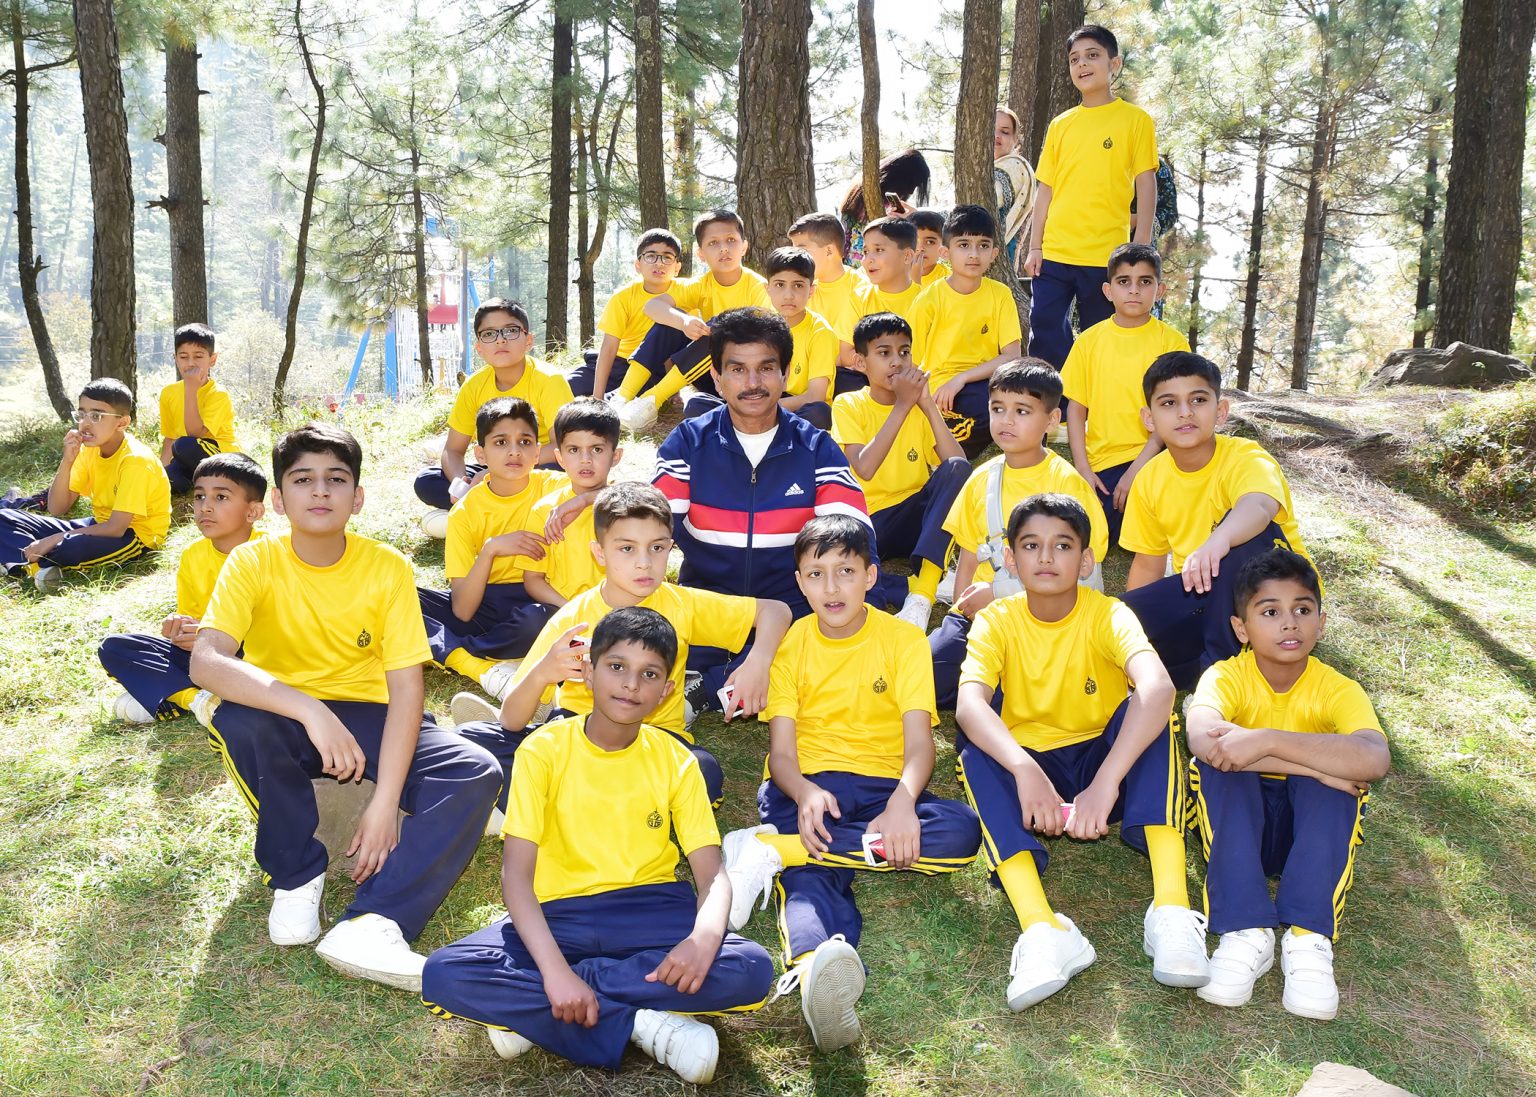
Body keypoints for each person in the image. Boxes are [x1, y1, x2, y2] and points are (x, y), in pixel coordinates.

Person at [191, 423, 500, 991]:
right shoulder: (252, 562)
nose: (320, 491)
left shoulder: (387, 567)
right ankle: (296, 873)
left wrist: (383, 804)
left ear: (357, 497)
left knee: (473, 770)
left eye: (336, 479)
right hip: (284, 714)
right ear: (278, 499)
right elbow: (207, 662)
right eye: (302, 479)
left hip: (368, 711)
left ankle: (375, 921)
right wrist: (310, 709)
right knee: (236, 717)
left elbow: (406, 689)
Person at [420, 608, 776, 1084]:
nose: (630, 684)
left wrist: (703, 940)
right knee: (446, 972)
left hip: (650, 910)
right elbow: (516, 877)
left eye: (649, 674)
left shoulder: (676, 760)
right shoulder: (542, 750)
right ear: (587, 672)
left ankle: (543, 1008)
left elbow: (711, 876)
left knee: (749, 967)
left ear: (666, 690)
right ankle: (641, 1023)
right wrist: (554, 970)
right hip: (558, 914)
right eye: (617, 666)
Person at [718, 517, 980, 1052]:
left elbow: (920, 745)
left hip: (884, 786)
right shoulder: (791, 644)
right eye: (816, 574)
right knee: (813, 879)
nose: (831, 587)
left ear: (871, 576)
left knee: (961, 833)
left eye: (846, 571)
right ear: (800, 582)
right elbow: (782, 755)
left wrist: (903, 802)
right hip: (807, 785)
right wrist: (805, 793)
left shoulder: (903, 640)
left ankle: (774, 850)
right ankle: (816, 967)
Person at [954, 493, 1208, 1010]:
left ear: (1086, 560)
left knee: (1154, 716)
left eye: (1063, 545)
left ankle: (1172, 909)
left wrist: (1106, 783)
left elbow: (1159, 688)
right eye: (1031, 546)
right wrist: (1024, 769)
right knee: (976, 752)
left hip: (1105, 764)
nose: (1046, 557)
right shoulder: (996, 620)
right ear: (1010, 559)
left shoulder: (1109, 613)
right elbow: (968, 706)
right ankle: (1042, 928)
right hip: (1035, 772)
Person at [459, 482, 792, 813]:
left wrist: (757, 663)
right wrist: (542, 673)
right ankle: (590, 803)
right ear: (599, 553)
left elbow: (775, 611)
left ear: (671, 547)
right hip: (578, 734)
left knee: (702, 773)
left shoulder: (682, 604)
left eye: (657, 547)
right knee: (476, 739)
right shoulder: (574, 619)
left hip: (653, 737)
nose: (644, 562)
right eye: (627, 549)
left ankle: (561, 804)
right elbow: (511, 719)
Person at [1186, 549, 1389, 1020]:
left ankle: (1307, 937)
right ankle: (1246, 931)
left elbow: (1375, 758)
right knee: (1224, 769)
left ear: (1321, 623)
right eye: (1270, 612)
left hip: (1310, 835)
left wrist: (1266, 740)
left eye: (1302, 609)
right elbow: (1204, 740)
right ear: (1241, 628)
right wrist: (1318, 764)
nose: (1289, 623)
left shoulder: (1338, 688)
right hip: (1241, 832)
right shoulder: (1225, 676)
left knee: (1336, 784)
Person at [653, 307, 873, 633]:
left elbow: (856, 537)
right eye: (738, 369)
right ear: (716, 377)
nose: (753, 383)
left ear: (785, 374)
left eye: (766, 368)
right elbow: (652, 527)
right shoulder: (688, 442)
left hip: (796, 618)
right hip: (707, 612)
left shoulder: (816, 448)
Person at [1118, 351, 1314, 691]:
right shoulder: (1149, 479)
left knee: (1245, 542)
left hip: (1277, 599)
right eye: (1169, 403)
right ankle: (1210, 667)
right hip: (1203, 596)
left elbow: (1260, 505)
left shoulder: (1245, 456)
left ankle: (1221, 681)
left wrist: (1218, 540)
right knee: (1115, 620)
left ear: (1220, 411)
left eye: (1198, 400)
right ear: (1149, 419)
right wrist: (1137, 619)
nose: (1185, 412)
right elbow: (1148, 564)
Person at [928, 360, 1108, 708]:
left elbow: (1082, 574)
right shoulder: (981, 479)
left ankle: (1009, 688)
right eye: (998, 409)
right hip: (984, 618)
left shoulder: (1067, 485)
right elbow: (969, 555)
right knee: (924, 674)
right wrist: (963, 612)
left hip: (1045, 621)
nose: (1006, 421)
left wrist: (998, 592)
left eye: (1022, 411)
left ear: (1052, 420)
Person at [1023, 25, 1158, 368]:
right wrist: (1035, 246)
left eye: (1092, 55)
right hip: (1055, 252)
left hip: (1105, 255)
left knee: (1101, 336)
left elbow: (1146, 183)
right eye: (1074, 59)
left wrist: (1141, 245)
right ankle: (1053, 397)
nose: (1082, 64)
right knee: (1045, 331)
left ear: (1114, 64)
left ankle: (1092, 395)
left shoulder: (1136, 120)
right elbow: (1045, 190)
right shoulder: (1060, 125)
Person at [99, 453, 266, 725]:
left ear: (253, 512)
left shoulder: (269, 554)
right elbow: (193, 621)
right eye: (199, 496)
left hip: (255, 657)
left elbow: (284, 629)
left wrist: (216, 638)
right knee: (115, 648)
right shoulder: (192, 555)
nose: (205, 507)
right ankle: (198, 701)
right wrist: (181, 629)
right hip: (208, 657)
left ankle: (172, 695)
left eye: (220, 497)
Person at [417, 398, 562, 703]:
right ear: (480, 454)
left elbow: (610, 492)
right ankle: (486, 660)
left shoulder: (555, 487)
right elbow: (463, 610)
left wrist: (580, 500)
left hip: (538, 599)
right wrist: (490, 550)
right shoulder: (465, 512)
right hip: (486, 601)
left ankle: (457, 649)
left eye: (525, 442)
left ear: (538, 452)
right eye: (500, 442)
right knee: (401, 599)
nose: (514, 451)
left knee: (538, 621)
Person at [831, 313, 969, 627]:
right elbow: (865, 467)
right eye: (884, 353)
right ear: (861, 362)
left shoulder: (919, 409)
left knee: (957, 468)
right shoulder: (848, 404)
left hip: (914, 516)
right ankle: (917, 584)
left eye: (904, 352)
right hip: (870, 520)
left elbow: (958, 467)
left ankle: (922, 595)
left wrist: (927, 405)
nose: (897, 361)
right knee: (837, 565)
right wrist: (903, 405)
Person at [1062, 242, 1190, 546]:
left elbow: (1176, 413)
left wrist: (1136, 471)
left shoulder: (1172, 343)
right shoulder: (1088, 342)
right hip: (1103, 463)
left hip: (1159, 456)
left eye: (1145, 282)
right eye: (1124, 282)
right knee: (1086, 526)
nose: (1134, 290)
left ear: (1160, 290)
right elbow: (1076, 409)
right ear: (1108, 291)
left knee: (1160, 505)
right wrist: (1083, 469)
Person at [415, 299, 573, 536]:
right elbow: (453, 450)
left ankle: (480, 521)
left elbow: (565, 446)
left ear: (528, 340)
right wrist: (463, 484)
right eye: (489, 334)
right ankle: (491, 516)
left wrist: (494, 473)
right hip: (493, 467)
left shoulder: (549, 381)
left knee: (560, 474)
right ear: (479, 347)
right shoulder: (473, 386)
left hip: (536, 466)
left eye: (510, 330)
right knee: (427, 481)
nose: (500, 340)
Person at [0, 379, 171, 592]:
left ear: (122, 423)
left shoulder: (135, 460)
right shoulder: (89, 449)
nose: (85, 424)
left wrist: (52, 539)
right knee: (4, 517)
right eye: (82, 414)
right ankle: (30, 566)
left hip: (135, 536)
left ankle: (20, 563)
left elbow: (116, 528)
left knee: (70, 547)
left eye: (96, 416)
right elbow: (57, 508)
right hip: (100, 523)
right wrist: (68, 460)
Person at [611, 209, 771, 432]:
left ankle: (651, 401)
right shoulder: (700, 285)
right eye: (713, 243)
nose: (724, 248)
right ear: (701, 253)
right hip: (706, 372)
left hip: (743, 374)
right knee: (672, 320)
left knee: (721, 327)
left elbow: (761, 340)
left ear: (744, 246)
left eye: (731, 240)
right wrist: (683, 322)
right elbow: (653, 306)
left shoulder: (759, 287)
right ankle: (621, 398)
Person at [908, 204, 1024, 458]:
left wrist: (961, 378)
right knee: (986, 412)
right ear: (945, 252)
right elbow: (911, 362)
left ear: (994, 253)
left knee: (1029, 401)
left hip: (987, 379)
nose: (974, 254)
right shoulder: (929, 299)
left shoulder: (1000, 294)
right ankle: (945, 452)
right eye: (963, 245)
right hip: (942, 387)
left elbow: (1012, 355)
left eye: (983, 245)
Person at [521, 397, 623, 609]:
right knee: (530, 618)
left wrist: (585, 499)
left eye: (596, 449)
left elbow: (648, 497)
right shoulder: (545, 511)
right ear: (559, 458)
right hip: (563, 609)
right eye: (574, 450)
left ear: (615, 456)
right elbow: (533, 580)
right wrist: (572, 610)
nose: (585, 459)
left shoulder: (625, 505)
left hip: (618, 610)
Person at [569, 229, 682, 398]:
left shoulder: (686, 293)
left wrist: (674, 392)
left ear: (677, 267)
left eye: (667, 257)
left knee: (626, 402)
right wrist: (597, 397)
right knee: (567, 387)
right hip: (618, 362)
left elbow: (677, 347)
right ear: (638, 265)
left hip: (652, 369)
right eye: (651, 256)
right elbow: (609, 347)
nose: (659, 263)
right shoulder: (623, 296)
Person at [788, 211, 868, 396]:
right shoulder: (800, 288)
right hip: (800, 373)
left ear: (829, 251)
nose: (794, 258)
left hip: (842, 376)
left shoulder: (861, 287)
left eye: (801, 250)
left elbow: (845, 355)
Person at [158, 323, 241, 493]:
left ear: (212, 360)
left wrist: (191, 389)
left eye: (198, 356)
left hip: (222, 458)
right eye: (183, 357)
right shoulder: (168, 393)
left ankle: (227, 481)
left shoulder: (218, 394)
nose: (190, 363)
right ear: (175, 359)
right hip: (185, 457)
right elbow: (170, 438)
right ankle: (198, 483)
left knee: (184, 445)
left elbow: (195, 433)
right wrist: (161, 473)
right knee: (168, 480)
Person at [837, 148, 930, 266]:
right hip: (867, 265)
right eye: (911, 184)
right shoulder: (874, 198)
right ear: (900, 177)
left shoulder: (860, 188)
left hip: (852, 263)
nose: (911, 191)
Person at [848, 216, 923, 328]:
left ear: (907, 256)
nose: (868, 260)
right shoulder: (857, 300)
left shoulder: (927, 302)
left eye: (879, 250)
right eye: (866, 252)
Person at [993, 107, 1038, 271]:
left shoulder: (1014, 166)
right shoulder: (991, 168)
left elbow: (981, 204)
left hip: (998, 258)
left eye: (1005, 132)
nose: (997, 135)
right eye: (991, 128)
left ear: (1015, 139)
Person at [909, 208, 951, 288]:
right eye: (914, 241)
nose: (920, 248)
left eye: (930, 242)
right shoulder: (895, 273)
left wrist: (915, 281)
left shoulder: (946, 279)